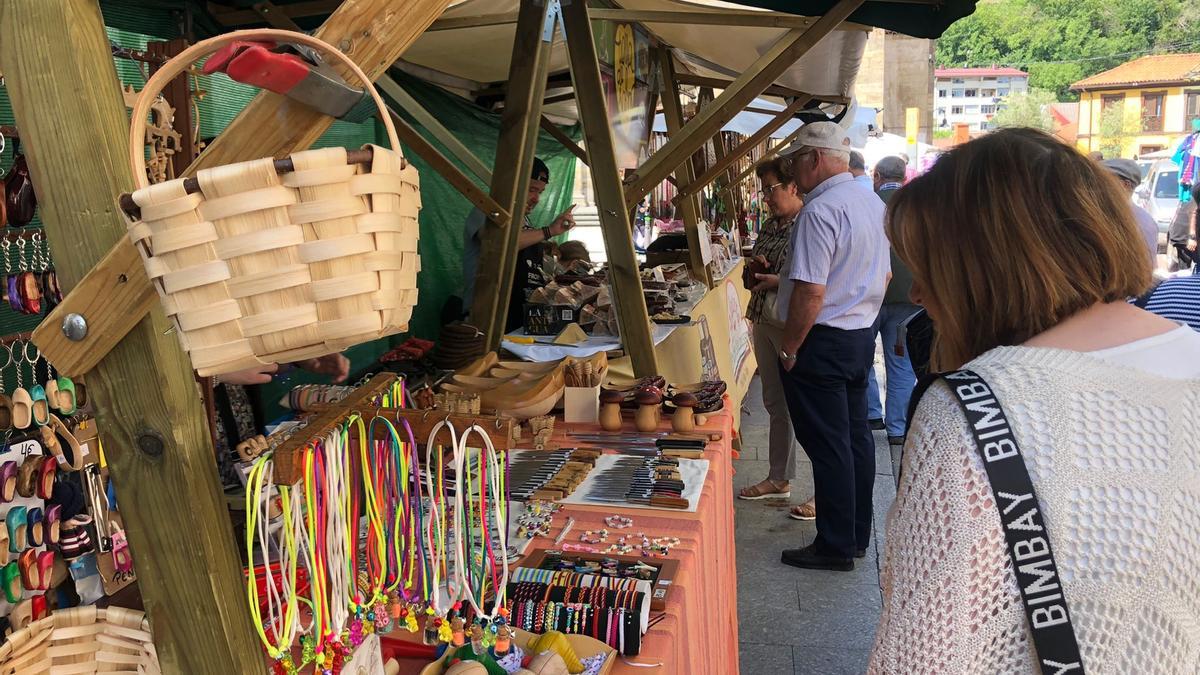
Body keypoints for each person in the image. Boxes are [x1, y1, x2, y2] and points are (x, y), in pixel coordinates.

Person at [871, 128, 1200, 672]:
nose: (919, 294)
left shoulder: (974, 408)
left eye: (930, 268)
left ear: (988, 267)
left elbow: (919, 659)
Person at [775, 121, 890, 570]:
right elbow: (885, 274)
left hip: (823, 338)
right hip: (859, 334)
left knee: (830, 444)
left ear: (815, 159)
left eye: (795, 161)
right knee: (854, 439)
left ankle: (837, 543)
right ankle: (855, 534)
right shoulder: (869, 200)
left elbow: (810, 291)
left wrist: (789, 347)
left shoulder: (820, 211)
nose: (792, 171)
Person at [737, 157, 808, 509]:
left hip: (788, 323)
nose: (766, 197)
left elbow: (810, 279)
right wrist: (755, 272)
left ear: (793, 186)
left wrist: (776, 280)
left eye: (770, 189)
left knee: (804, 406)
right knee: (774, 402)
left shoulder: (807, 223)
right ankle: (779, 476)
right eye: (763, 190)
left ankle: (822, 487)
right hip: (763, 317)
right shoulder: (770, 224)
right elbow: (755, 269)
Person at [461, 158, 577, 331]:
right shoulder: (486, 211)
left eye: (540, 192)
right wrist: (548, 231)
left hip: (516, 315)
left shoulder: (525, 221)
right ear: (513, 185)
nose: (536, 198)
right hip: (485, 316)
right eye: (532, 190)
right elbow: (501, 242)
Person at [865, 156, 919, 447]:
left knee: (863, 358)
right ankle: (897, 427)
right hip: (909, 298)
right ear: (904, 177)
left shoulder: (868, 204)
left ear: (877, 176)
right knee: (901, 364)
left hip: (870, 295)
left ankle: (872, 413)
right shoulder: (917, 206)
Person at [1102, 158, 1159, 268]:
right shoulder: (1106, 214)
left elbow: (1145, 270)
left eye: (1105, 180)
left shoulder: (1142, 222)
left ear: (1125, 185)